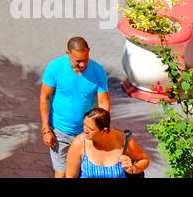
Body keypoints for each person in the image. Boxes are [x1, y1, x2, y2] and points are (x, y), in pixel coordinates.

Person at [40, 36, 112, 177]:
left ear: (89, 51)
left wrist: (101, 129)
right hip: (58, 130)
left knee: (80, 171)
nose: (83, 64)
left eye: (86, 59)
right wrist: (46, 129)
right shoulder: (55, 68)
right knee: (61, 173)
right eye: (78, 60)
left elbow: (103, 103)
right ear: (68, 53)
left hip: (85, 132)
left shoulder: (98, 71)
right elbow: (44, 97)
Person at [65, 108, 149, 178]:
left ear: (104, 131)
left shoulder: (123, 141)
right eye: (84, 125)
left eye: (90, 129)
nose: (85, 130)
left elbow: (144, 160)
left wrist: (133, 168)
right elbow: (70, 176)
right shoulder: (79, 143)